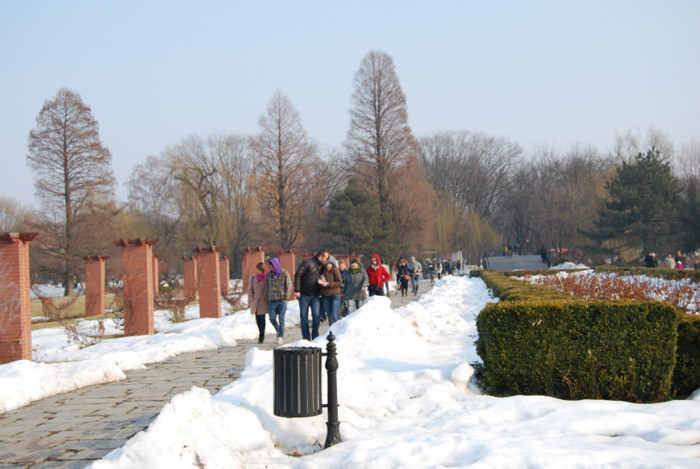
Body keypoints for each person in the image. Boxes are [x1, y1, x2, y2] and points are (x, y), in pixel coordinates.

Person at [294, 249, 329, 340]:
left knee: (317, 316)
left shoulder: (323, 266)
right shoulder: (307, 262)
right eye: (325, 258)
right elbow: (298, 274)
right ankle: (306, 338)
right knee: (304, 316)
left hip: (316, 295)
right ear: (320, 256)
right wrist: (297, 290)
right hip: (304, 295)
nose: (326, 259)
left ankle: (315, 336)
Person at [264, 257, 292, 345]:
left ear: (275, 266)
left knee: (281, 318)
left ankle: (280, 336)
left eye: (271, 267)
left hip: (282, 300)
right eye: (269, 267)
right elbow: (266, 286)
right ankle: (278, 329)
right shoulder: (268, 275)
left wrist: (286, 297)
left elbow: (289, 285)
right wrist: (267, 295)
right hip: (272, 300)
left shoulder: (284, 273)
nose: (270, 269)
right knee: (272, 318)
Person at [249, 262, 269, 344]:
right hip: (256, 300)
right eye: (258, 269)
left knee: (262, 318)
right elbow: (250, 289)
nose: (259, 271)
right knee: (257, 318)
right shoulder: (253, 277)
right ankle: (260, 332)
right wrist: (250, 300)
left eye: (261, 270)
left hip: (263, 301)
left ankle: (262, 335)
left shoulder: (266, 278)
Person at [320, 256, 343, 325]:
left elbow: (339, 282)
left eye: (330, 265)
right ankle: (331, 332)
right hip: (325, 296)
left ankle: (338, 330)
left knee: (334, 315)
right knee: (330, 316)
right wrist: (320, 282)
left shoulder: (335, 270)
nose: (328, 267)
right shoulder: (322, 271)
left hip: (334, 295)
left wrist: (328, 284)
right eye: (327, 265)